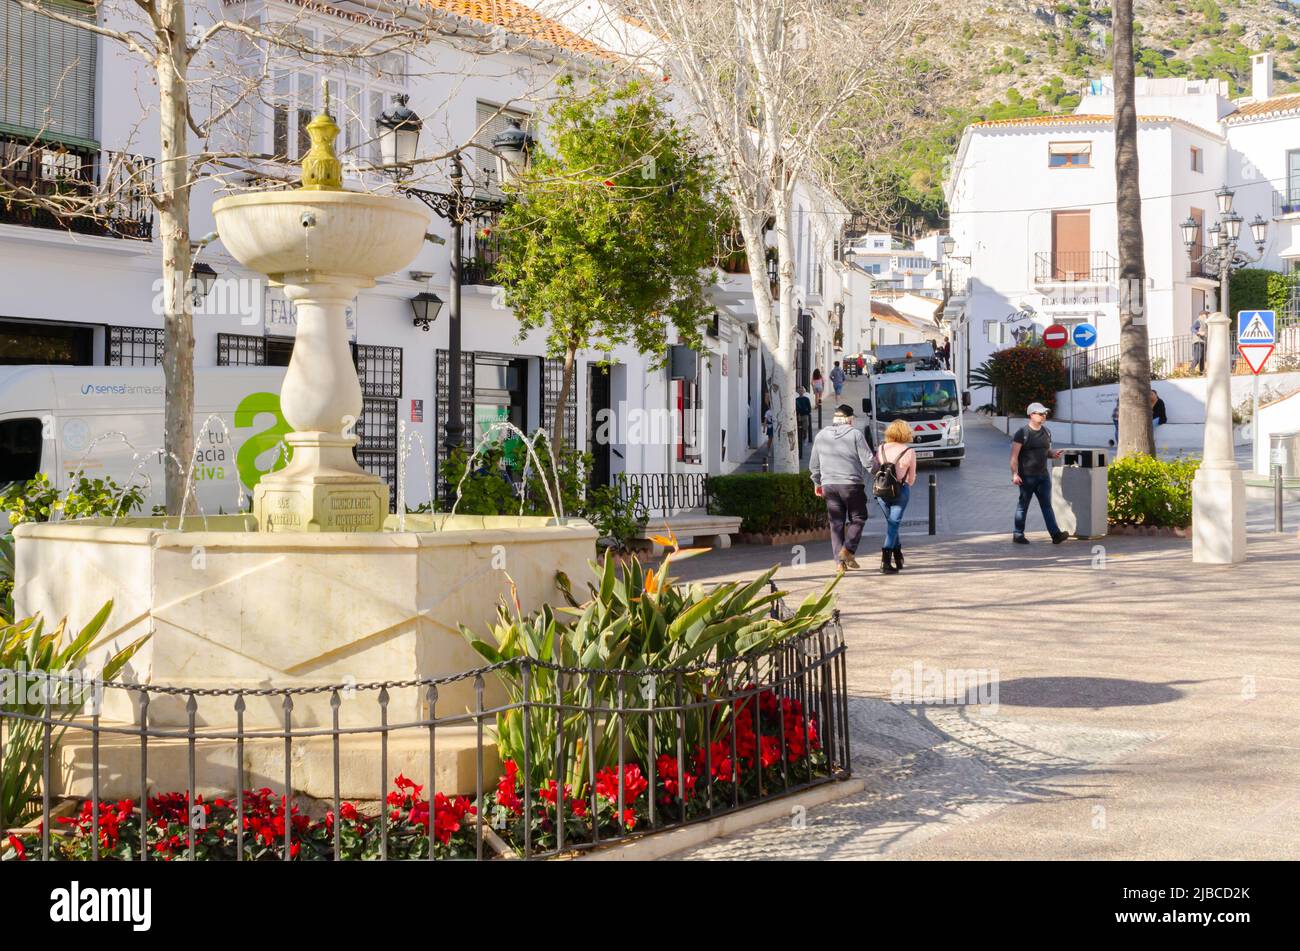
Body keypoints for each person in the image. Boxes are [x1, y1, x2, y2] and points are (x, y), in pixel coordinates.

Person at [810, 403, 873, 571]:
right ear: (849, 419)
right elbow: (868, 462)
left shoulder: (821, 435)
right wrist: (880, 471)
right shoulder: (855, 435)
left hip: (829, 485)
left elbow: (814, 465)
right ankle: (848, 550)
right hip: (851, 485)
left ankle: (839, 564)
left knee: (836, 524)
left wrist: (817, 483)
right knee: (858, 518)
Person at [1011, 402, 1068, 545]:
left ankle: (1055, 535)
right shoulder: (1022, 433)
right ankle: (1018, 534)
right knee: (1023, 506)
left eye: (1045, 414)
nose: (1044, 416)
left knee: (1046, 505)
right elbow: (1014, 456)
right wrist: (1014, 474)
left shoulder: (1047, 432)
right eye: (1040, 413)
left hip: (1043, 476)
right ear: (1031, 414)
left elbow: (1046, 452)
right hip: (1027, 477)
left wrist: (1053, 454)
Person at [873, 419, 917, 574]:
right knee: (893, 525)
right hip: (900, 491)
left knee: (892, 524)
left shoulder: (881, 448)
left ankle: (898, 556)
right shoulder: (909, 451)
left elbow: (876, 468)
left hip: (881, 491)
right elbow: (911, 479)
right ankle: (885, 562)